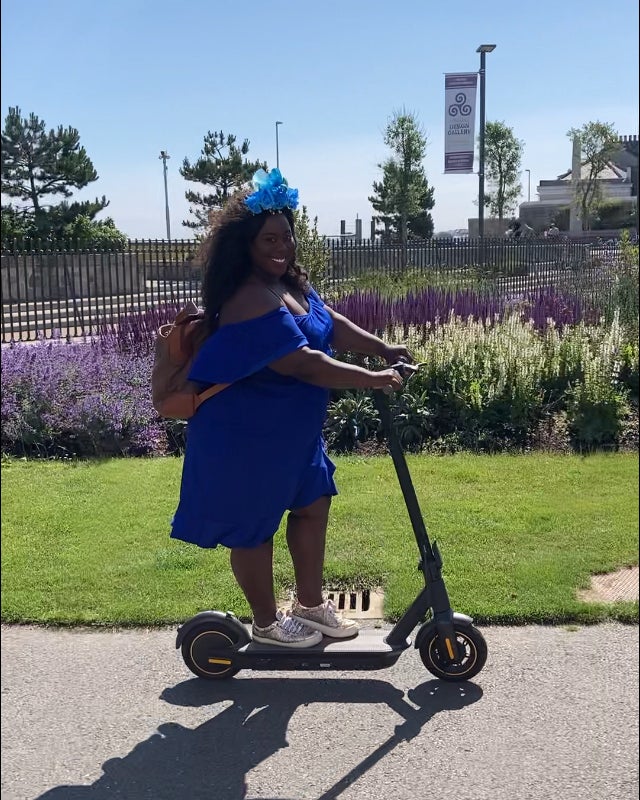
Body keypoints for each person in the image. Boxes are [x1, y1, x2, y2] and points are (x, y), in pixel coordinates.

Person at [170, 168, 412, 648]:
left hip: (291, 435)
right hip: (245, 437)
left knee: (312, 505)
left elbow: (329, 323)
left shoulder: (289, 284)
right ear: (246, 246)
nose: (282, 247)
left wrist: (381, 348)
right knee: (253, 528)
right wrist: (372, 379)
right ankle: (266, 624)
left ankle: (309, 605)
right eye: (269, 239)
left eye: (287, 237)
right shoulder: (247, 297)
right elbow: (303, 363)